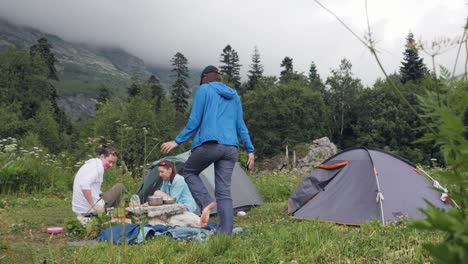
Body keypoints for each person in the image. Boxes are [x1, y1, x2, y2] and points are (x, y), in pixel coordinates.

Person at [161, 65, 255, 235]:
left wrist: (177, 141)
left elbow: (195, 120)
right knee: (224, 192)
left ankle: (206, 203)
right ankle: (225, 234)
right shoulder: (234, 96)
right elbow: (241, 126)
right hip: (231, 148)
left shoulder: (204, 90)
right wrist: (250, 150)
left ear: (205, 77)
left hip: (210, 144)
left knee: (189, 171)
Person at [72, 144, 126, 219]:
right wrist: (93, 205)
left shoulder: (91, 163)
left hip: (78, 209)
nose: (110, 165)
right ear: (102, 157)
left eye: (113, 163)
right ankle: (107, 215)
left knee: (103, 193)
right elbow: (84, 184)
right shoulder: (99, 167)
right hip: (88, 209)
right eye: (109, 161)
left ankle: (105, 213)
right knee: (120, 187)